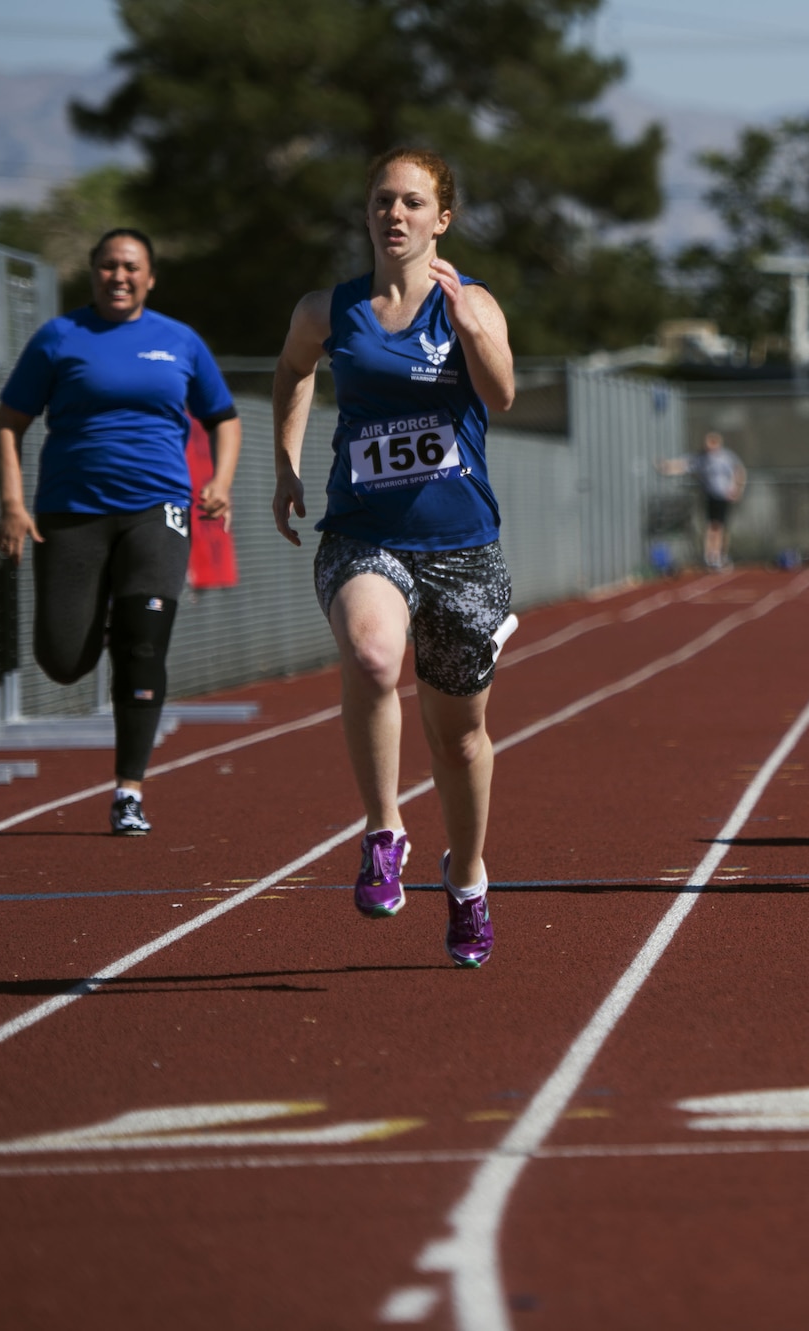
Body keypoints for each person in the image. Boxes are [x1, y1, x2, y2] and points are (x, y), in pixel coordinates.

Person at [271, 147, 517, 965]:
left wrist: (478, 330)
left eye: (413, 202)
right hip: (362, 533)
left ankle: (469, 877)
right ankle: (384, 830)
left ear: (440, 219)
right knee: (374, 656)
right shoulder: (327, 308)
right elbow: (294, 369)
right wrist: (284, 460)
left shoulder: (471, 303)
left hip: (460, 547)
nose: (396, 215)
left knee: (460, 740)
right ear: (368, 213)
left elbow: (503, 396)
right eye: (383, 201)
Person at [0, 228, 240, 834]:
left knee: (145, 643)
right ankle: (103, 616)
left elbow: (223, 418)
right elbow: (8, 423)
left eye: (131, 267)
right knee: (62, 659)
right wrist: (12, 503)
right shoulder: (59, 338)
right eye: (107, 266)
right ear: (94, 274)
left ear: (149, 277)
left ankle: (129, 788)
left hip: (157, 509)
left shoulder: (179, 341)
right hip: (71, 511)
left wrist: (222, 482)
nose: (119, 276)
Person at [658, 432, 745, 570]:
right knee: (711, 526)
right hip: (710, 495)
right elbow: (684, 465)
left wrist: (737, 489)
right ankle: (711, 556)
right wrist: (667, 467)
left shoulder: (726, 457)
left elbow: (738, 471)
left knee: (720, 527)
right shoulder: (702, 458)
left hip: (723, 496)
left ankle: (720, 554)